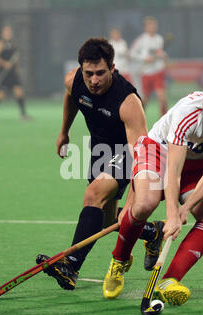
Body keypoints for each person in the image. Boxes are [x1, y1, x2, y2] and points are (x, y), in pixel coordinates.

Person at [103, 73, 203, 305]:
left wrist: (187, 208)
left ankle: (169, 280)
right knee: (145, 204)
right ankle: (119, 261)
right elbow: (173, 170)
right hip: (158, 151)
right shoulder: (188, 111)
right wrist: (173, 214)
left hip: (196, 162)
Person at [36, 37, 161, 291]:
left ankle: (71, 265)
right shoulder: (75, 80)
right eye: (89, 73)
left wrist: (134, 201)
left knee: (93, 194)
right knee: (106, 221)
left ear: (113, 68)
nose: (94, 80)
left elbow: (141, 154)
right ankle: (151, 232)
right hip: (99, 149)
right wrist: (64, 132)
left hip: (128, 151)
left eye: (101, 73)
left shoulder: (128, 102)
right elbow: (72, 96)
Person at [0, 26, 31, 121]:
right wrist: (4, 63)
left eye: (9, 32)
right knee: (0, 95)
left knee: (19, 92)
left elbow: (15, 59)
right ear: (2, 33)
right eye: (6, 32)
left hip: (12, 74)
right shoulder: (0, 44)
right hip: (4, 73)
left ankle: (23, 115)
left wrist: (17, 69)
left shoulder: (12, 44)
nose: (8, 34)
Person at [129, 16, 168, 117]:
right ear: (146, 27)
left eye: (155, 25)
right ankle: (139, 119)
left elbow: (158, 52)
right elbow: (131, 53)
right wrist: (144, 58)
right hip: (146, 73)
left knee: (162, 98)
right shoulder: (141, 40)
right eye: (150, 25)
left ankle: (164, 122)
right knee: (144, 100)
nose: (153, 27)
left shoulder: (159, 39)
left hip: (158, 72)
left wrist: (162, 55)